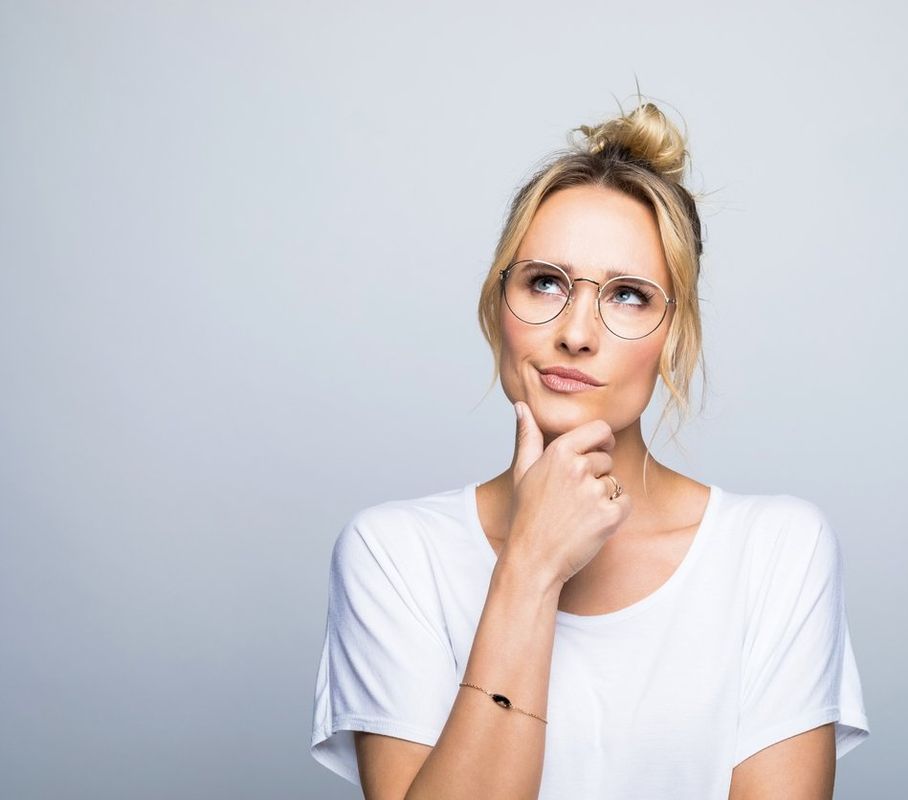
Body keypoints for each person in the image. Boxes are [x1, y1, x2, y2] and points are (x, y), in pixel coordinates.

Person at [309, 94, 870, 799]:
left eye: (628, 295)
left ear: (675, 336)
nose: (576, 331)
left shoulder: (776, 552)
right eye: (545, 282)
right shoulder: (393, 557)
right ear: (497, 305)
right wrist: (532, 565)